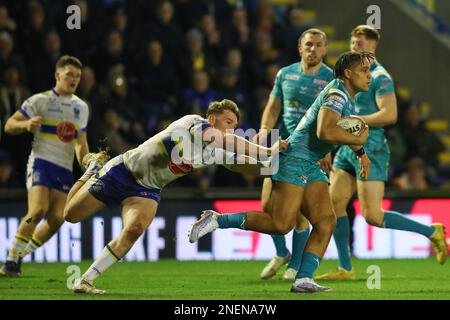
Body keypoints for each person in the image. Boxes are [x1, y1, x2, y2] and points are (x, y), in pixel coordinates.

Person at [189, 51, 374, 293]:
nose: (369, 76)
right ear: (348, 73)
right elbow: (325, 132)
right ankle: (216, 219)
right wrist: (360, 136)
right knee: (280, 224)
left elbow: (336, 129)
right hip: (294, 159)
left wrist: (360, 151)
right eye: (364, 71)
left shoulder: (343, 95)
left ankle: (303, 278)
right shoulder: (337, 94)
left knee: (326, 221)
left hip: (309, 162)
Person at [63, 99, 286, 294]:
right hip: (122, 172)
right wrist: (266, 150)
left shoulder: (215, 151)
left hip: (147, 190)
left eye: (236, 126)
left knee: (134, 229)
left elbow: (243, 166)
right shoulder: (192, 124)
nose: (232, 129)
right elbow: (225, 141)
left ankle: (86, 280)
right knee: (70, 215)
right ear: (211, 118)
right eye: (229, 123)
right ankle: (92, 169)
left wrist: (276, 165)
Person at [315, 25, 447, 281]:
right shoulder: (348, 74)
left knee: (372, 216)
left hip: (371, 145)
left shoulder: (380, 77)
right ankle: (345, 267)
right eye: (353, 43)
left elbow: (390, 115)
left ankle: (432, 232)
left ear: (374, 47)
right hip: (347, 145)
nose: (355, 47)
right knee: (334, 203)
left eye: (361, 44)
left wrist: (354, 121)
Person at [253, 28, 334, 281]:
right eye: (309, 44)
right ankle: (281, 253)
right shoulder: (284, 74)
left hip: (309, 147)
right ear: (300, 47)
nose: (313, 49)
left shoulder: (331, 78)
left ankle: (296, 265)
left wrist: (326, 148)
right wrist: (265, 130)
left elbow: (332, 118)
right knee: (268, 206)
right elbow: (274, 105)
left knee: (299, 209)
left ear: (325, 49)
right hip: (279, 143)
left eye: (319, 45)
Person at [0, 55, 89, 277]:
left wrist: (88, 162)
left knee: (57, 219)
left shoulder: (81, 107)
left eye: (77, 76)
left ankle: (18, 255)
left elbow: (81, 144)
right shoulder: (40, 101)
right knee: (38, 209)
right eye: (69, 74)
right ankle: (11, 262)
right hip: (41, 161)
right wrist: (26, 124)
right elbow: (9, 125)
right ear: (58, 75)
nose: (74, 79)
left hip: (64, 168)